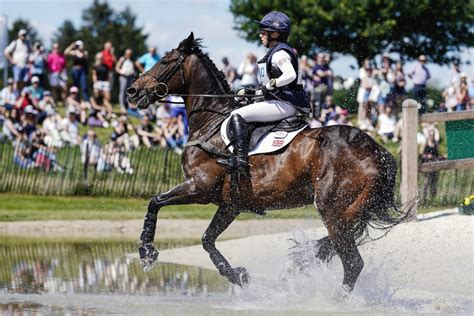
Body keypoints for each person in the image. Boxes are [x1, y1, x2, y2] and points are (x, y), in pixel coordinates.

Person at [217, 11, 309, 173]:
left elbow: (290, 75)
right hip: (279, 101)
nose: (261, 35)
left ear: (274, 34)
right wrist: (251, 92)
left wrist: (272, 84)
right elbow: (268, 87)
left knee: (237, 116)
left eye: (264, 32)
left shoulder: (280, 53)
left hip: (285, 104)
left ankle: (239, 161)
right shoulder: (275, 53)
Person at [115, 49, 136, 113]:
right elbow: (117, 68)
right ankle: (122, 106)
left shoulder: (132, 60)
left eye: (129, 54)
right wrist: (121, 72)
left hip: (130, 76)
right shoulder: (122, 59)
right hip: (123, 76)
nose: (128, 55)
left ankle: (129, 105)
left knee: (129, 92)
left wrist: (133, 73)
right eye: (127, 54)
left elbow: (134, 68)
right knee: (122, 91)